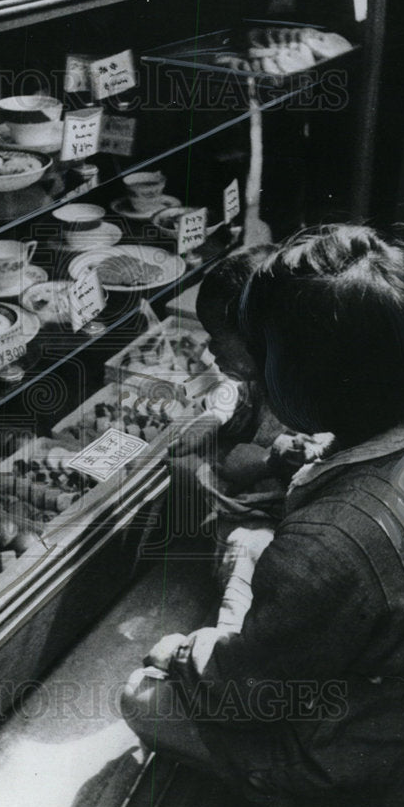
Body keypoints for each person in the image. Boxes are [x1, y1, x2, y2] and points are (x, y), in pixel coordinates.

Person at [121, 225, 404, 807]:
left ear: (304, 379)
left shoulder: (328, 543)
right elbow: (360, 476)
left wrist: (182, 653)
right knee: (253, 549)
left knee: (140, 695)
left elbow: (249, 690)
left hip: (357, 764)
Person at [168, 245, 335, 631]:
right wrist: (213, 418)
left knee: (247, 552)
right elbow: (235, 390)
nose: (209, 351)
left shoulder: (311, 393)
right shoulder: (261, 373)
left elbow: (323, 463)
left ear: (259, 339)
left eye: (218, 338)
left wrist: (276, 459)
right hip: (251, 500)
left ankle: (227, 647)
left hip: (291, 517)